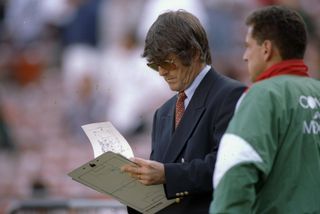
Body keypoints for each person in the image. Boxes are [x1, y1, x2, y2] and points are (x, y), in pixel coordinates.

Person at [121, 10, 246, 213]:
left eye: (167, 62)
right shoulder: (163, 112)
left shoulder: (230, 95)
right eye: (155, 65)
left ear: (194, 53)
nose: (161, 72)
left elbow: (226, 166)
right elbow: (161, 186)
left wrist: (167, 175)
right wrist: (135, 190)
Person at [210, 5, 320, 213]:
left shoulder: (261, 96)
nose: (244, 56)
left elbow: (236, 171)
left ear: (266, 49)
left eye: (248, 46)